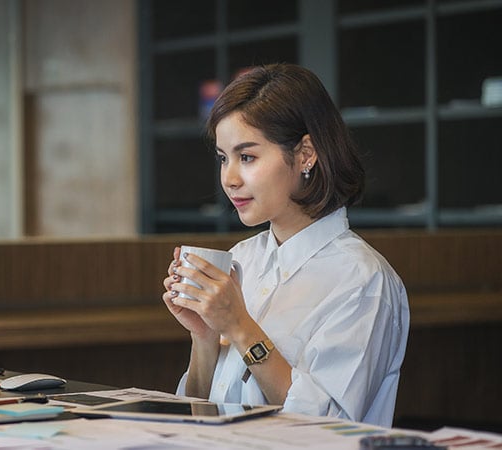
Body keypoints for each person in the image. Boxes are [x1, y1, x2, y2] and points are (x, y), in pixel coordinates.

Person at [162, 63, 409, 427]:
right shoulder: (242, 257)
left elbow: (324, 427)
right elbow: (196, 415)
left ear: (306, 153)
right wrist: (205, 336)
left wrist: (241, 327)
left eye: (247, 157)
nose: (229, 179)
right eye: (223, 158)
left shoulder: (362, 281)